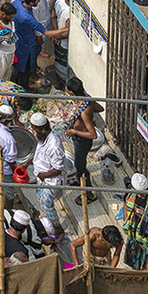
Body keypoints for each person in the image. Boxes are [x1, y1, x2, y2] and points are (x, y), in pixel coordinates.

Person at [64, 75, 104, 204]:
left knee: (80, 167)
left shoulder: (84, 111)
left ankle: (89, 194)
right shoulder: (87, 99)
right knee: (79, 163)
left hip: (83, 141)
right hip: (79, 139)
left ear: (71, 93)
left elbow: (93, 135)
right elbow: (100, 108)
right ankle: (77, 180)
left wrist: (75, 131)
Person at [29, 112, 66, 231]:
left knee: (47, 205)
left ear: (42, 129)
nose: (34, 132)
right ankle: (47, 221)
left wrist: (43, 175)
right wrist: (27, 162)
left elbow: (57, 169)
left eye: (35, 130)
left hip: (51, 180)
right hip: (42, 177)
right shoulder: (43, 137)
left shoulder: (54, 145)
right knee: (40, 199)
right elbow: (40, 152)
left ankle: (57, 228)